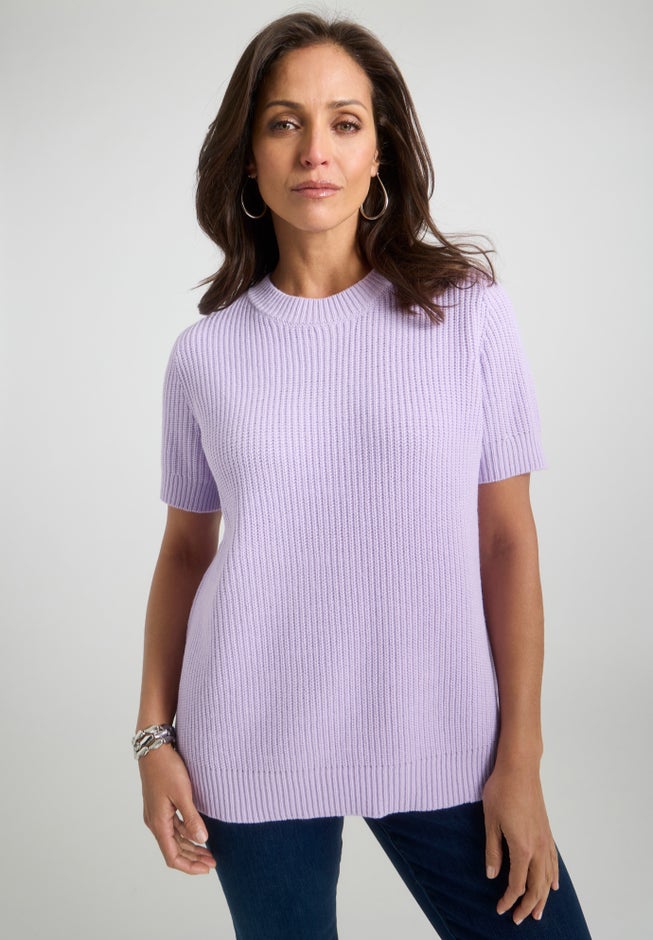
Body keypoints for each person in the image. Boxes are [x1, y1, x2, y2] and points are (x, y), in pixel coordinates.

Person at [134, 12, 592, 939]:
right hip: (250, 738)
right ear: (248, 157)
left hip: (446, 738)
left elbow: (506, 541)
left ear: (378, 152)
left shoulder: (466, 315)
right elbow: (185, 551)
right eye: (283, 122)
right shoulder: (205, 356)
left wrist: (520, 758)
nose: (315, 150)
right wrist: (152, 739)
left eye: (343, 122)